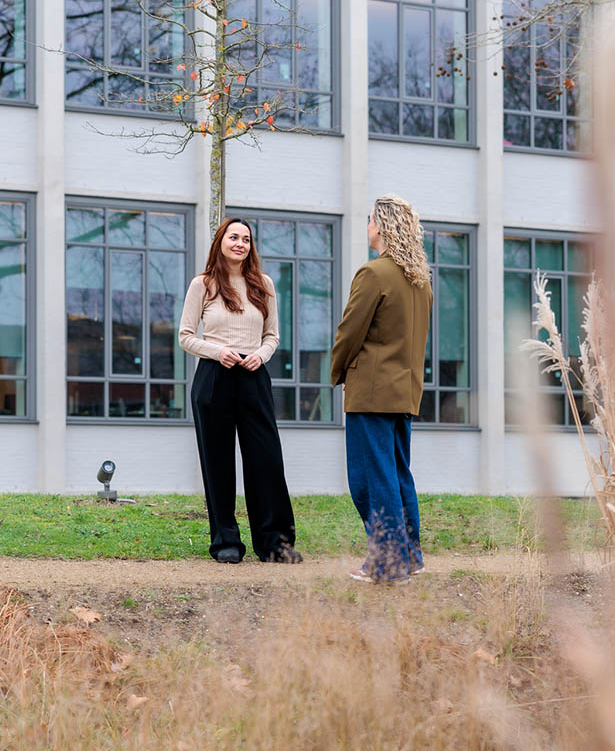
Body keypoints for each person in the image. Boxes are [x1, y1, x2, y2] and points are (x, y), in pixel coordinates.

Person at [179, 217, 303, 564]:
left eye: (246, 239)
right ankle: (225, 542)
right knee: (217, 461)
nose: (240, 243)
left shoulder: (263, 284)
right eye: (233, 237)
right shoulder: (202, 285)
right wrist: (218, 351)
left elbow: (273, 336)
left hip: (253, 377)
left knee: (266, 460)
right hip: (214, 376)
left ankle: (275, 543)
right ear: (220, 242)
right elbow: (185, 336)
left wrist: (260, 356)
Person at [331, 195, 432, 584]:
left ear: (382, 226)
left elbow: (349, 332)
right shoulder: (420, 282)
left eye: (370, 218)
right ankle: (410, 556)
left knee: (369, 479)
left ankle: (388, 565)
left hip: (371, 392)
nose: (367, 224)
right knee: (397, 474)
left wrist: (337, 371)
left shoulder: (373, 274)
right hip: (404, 393)